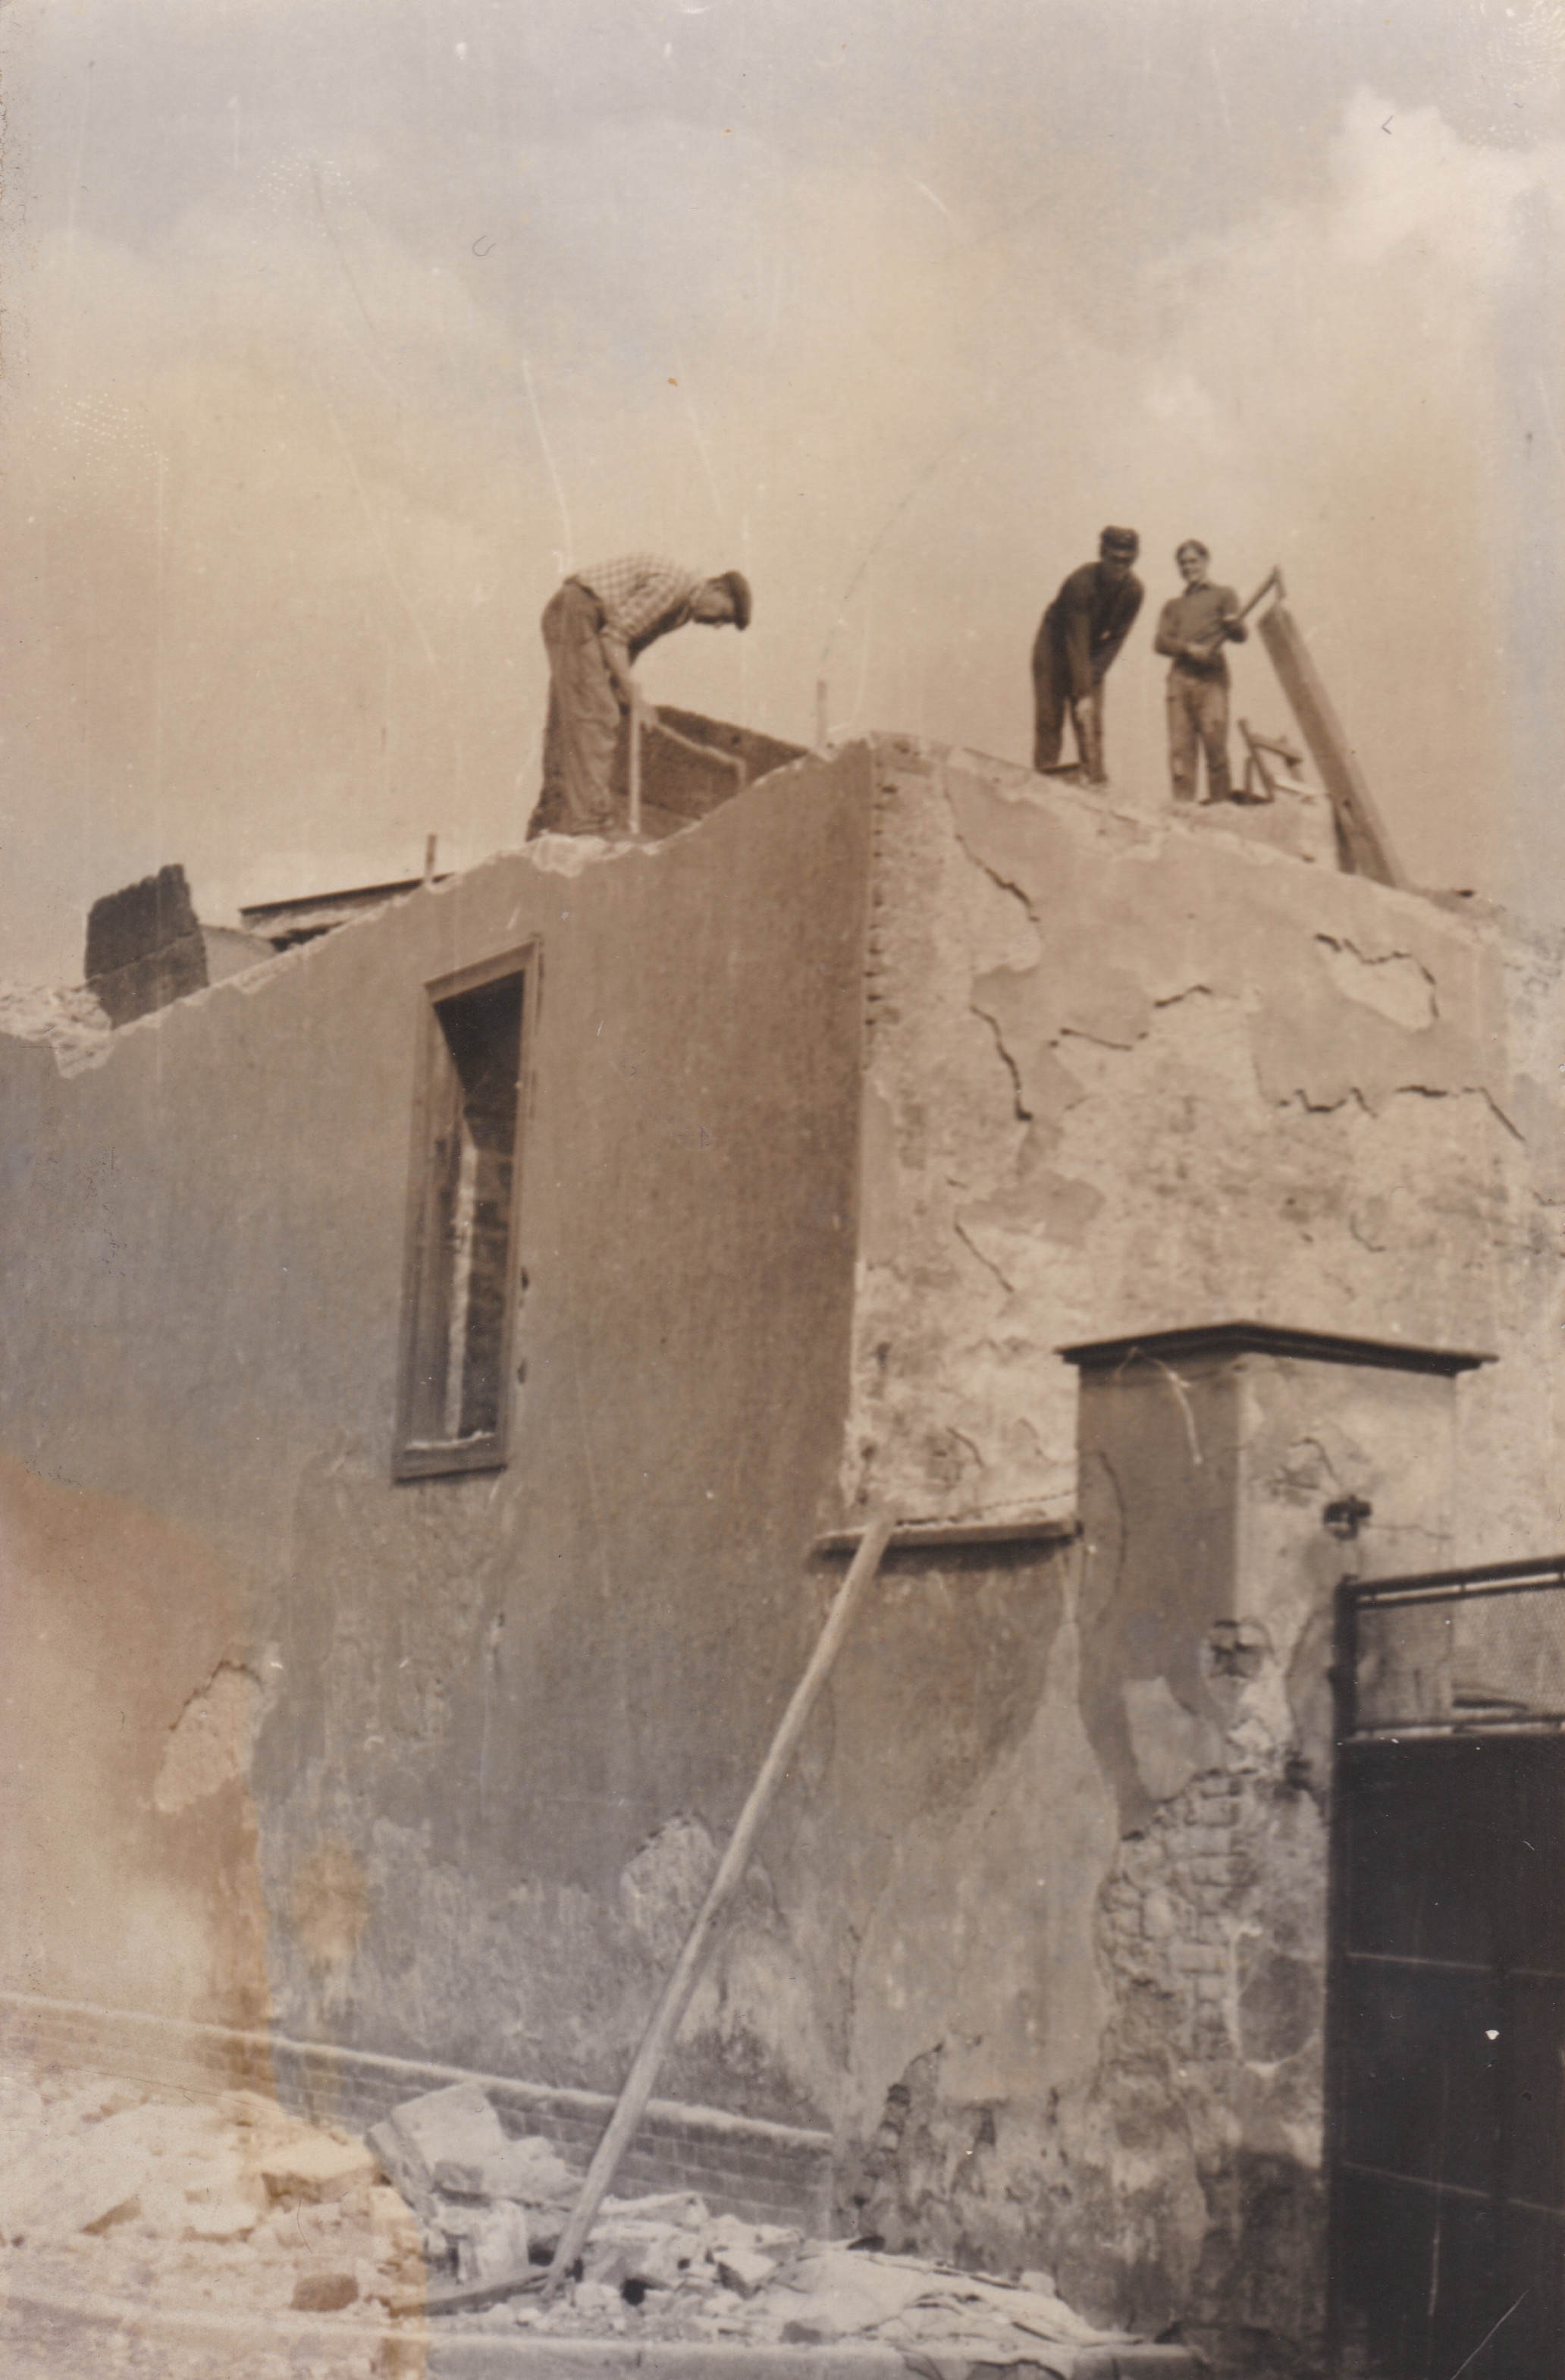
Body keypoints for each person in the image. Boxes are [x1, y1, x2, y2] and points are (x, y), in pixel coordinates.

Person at [530, 556, 752, 838]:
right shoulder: (672, 588)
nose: (717, 625)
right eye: (722, 616)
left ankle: (551, 817)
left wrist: (620, 689)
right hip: (579, 612)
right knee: (596, 715)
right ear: (716, 589)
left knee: (573, 714)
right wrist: (634, 698)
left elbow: (631, 643)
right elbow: (614, 638)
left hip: (576, 615)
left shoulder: (681, 609)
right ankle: (587, 822)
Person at [1031, 528, 1143, 783]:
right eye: (1115, 559)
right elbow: (1076, 638)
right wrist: (1083, 693)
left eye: (1127, 561)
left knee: (1091, 724)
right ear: (1102, 554)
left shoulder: (1134, 591)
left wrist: (1090, 681)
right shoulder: (1080, 583)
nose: (1120, 566)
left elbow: (1116, 640)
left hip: (1089, 653)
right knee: (1050, 723)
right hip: (1054, 651)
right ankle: (1042, 784)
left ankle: (1095, 781)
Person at [1153, 542, 1247, 804]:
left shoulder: (1224, 595)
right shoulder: (1173, 605)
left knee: (1215, 748)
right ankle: (1183, 811)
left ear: (1206, 561)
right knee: (1180, 752)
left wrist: (1233, 625)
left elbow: (1241, 635)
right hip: (1180, 680)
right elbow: (1160, 642)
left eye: (1193, 561)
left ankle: (1221, 808)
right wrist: (1188, 649)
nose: (1188, 567)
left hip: (1211, 679)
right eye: (1183, 563)